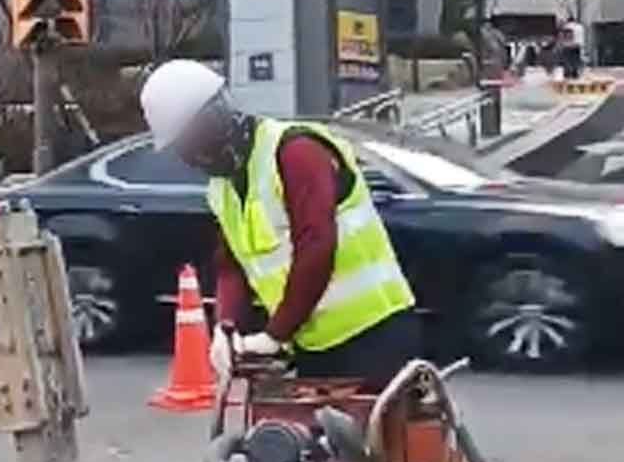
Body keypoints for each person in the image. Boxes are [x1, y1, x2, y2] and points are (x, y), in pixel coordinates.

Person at [139, 59, 420, 389]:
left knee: (382, 437)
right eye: (181, 147)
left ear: (215, 120)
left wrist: (275, 333)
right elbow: (233, 266)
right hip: (312, 345)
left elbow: (316, 245)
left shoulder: (296, 151)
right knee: (297, 437)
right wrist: (225, 328)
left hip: (374, 334)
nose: (189, 155)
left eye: (191, 141)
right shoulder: (224, 188)